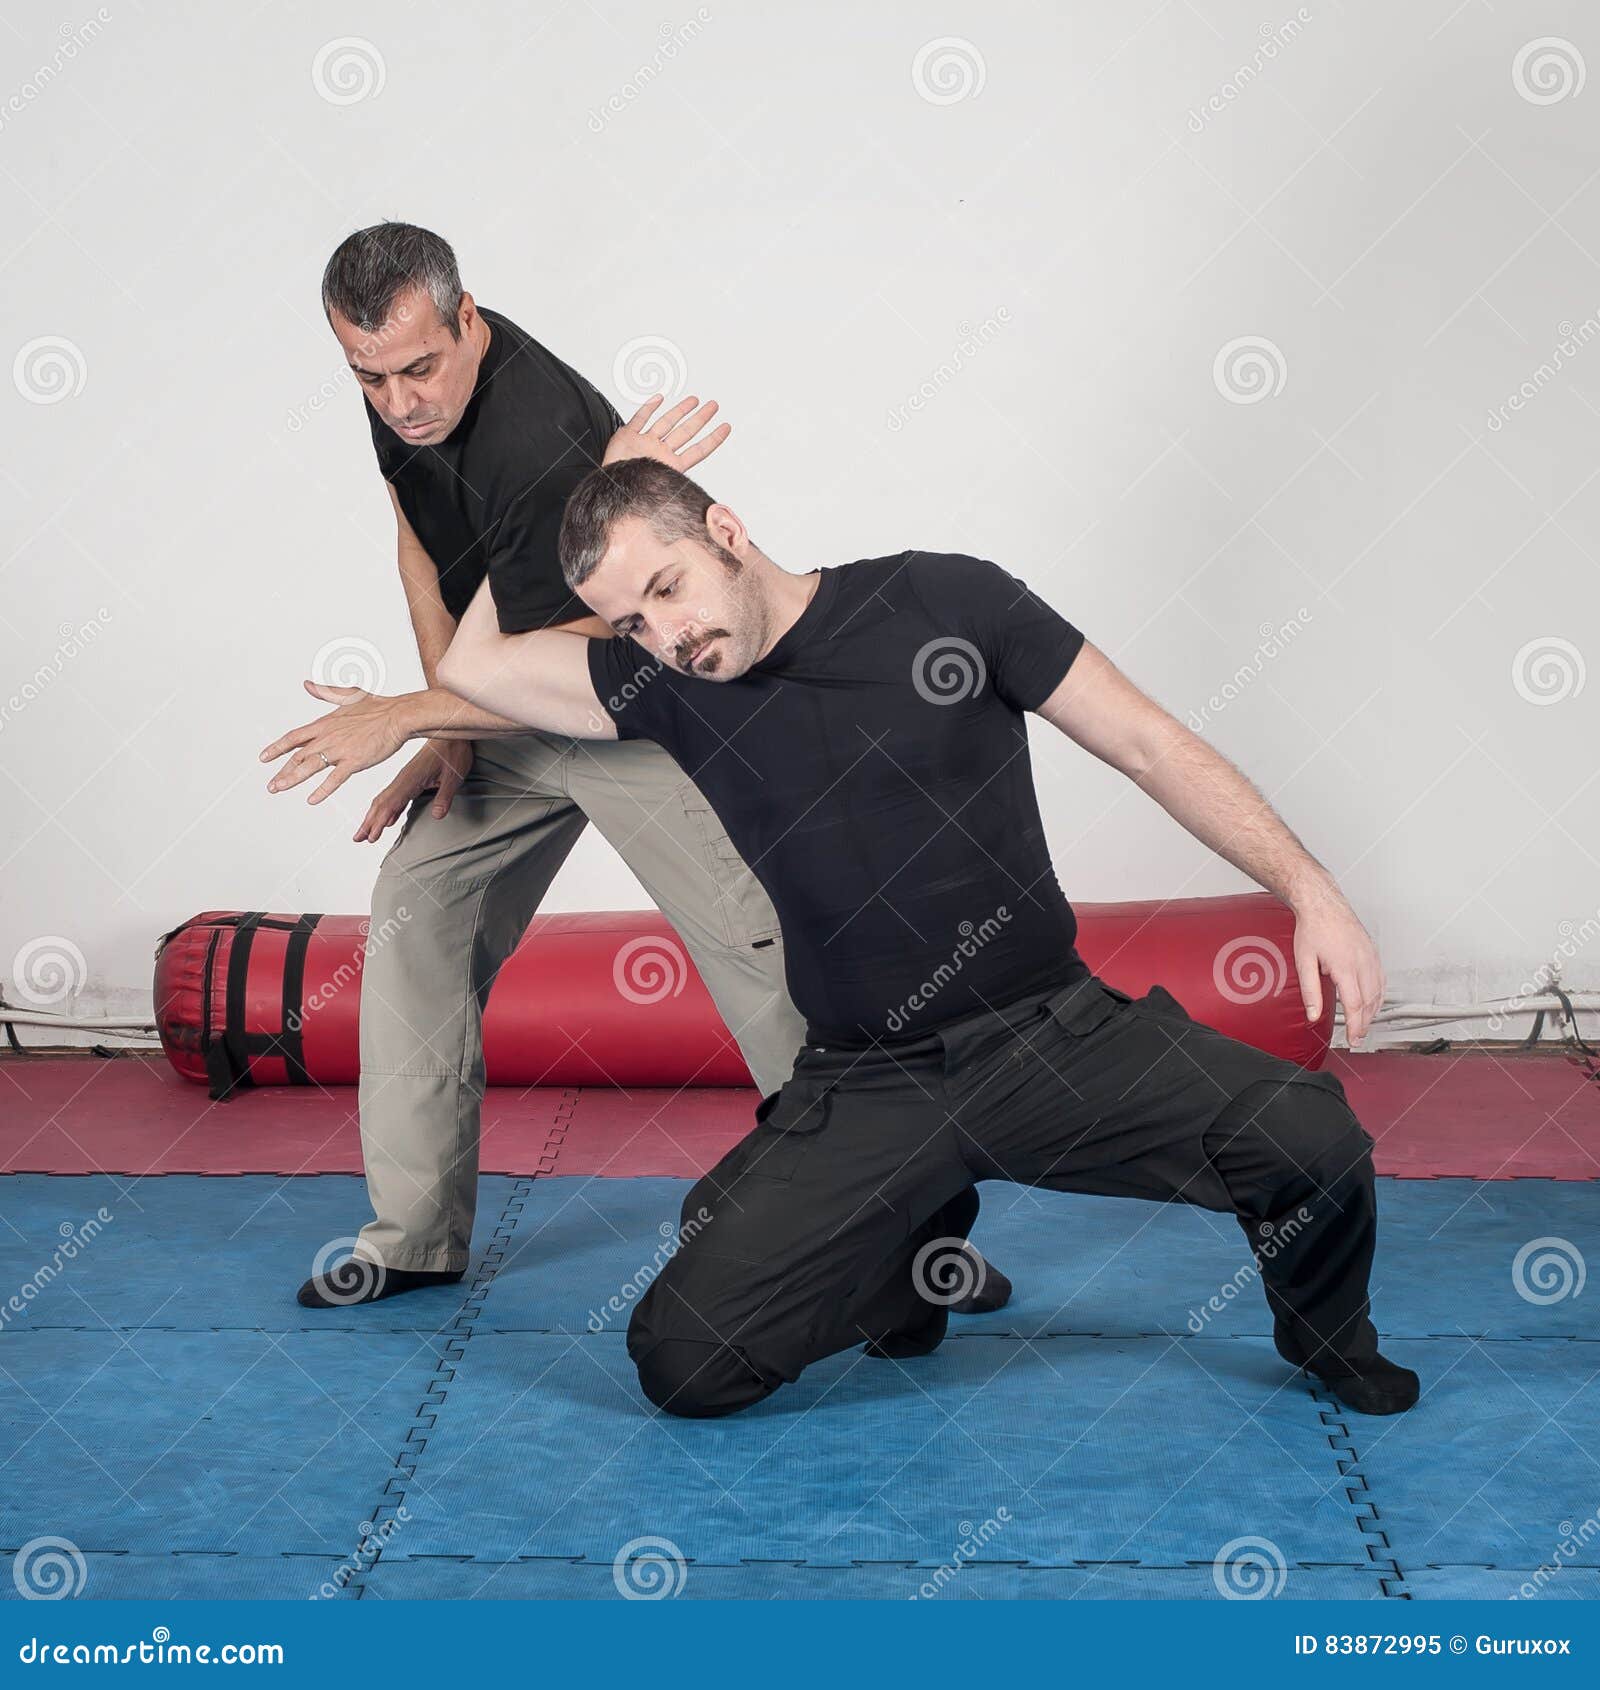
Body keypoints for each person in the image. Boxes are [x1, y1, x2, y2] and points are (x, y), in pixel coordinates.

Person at [263, 455, 1418, 1422]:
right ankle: (909, 1239)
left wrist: (1305, 885)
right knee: (685, 1364)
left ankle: (1325, 1340)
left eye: (669, 587)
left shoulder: (949, 603)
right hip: (868, 1081)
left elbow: (1151, 745)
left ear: (726, 529)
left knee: (1311, 1139)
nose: (666, 633)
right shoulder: (665, 686)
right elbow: (470, 667)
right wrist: (585, 461)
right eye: (630, 619)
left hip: (1051, 1035)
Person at [273, 224, 1007, 1318]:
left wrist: (407, 714)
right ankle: (413, 1233)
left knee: (765, 951)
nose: (399, 399)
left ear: (467, 318)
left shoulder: (546, 434)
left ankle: (912, 1237)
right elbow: (418, 541)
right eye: (368, 376)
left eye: (419, 367)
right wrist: (446, 730)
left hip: (637, 707)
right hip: (508, 706)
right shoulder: (399, 390)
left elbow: (565, 639)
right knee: (415, 911)